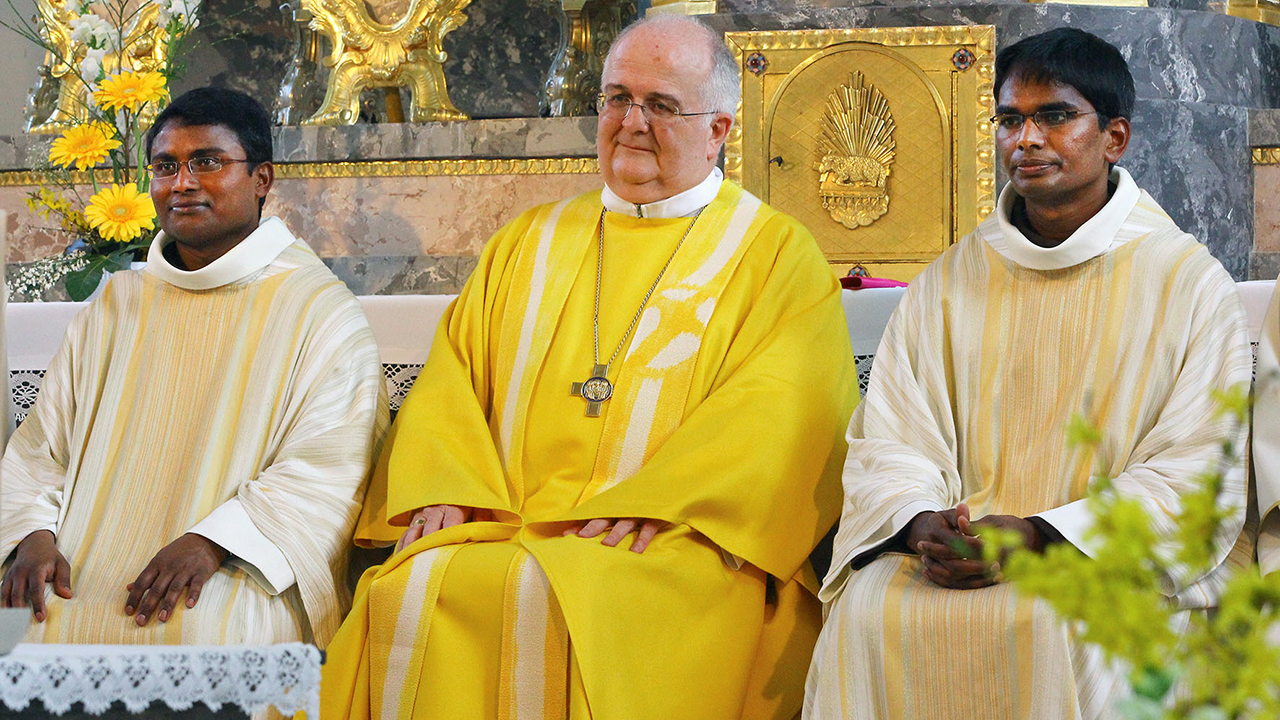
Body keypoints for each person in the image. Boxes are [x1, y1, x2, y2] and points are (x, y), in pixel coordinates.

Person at [322, 14, 856, 720]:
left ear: (719, 129)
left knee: (565, 593)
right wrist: (445, 486)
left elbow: (787, 415)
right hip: (508, 519)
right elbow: (454, 381)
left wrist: (665, 505)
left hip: (666, 541)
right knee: (408, 590)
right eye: (616, 98)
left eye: (661, 105)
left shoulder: (777, 256)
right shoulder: (529, 242)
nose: (631, 122)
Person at [805, 28, 1251, 719]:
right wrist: (919, 521)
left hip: (1098, 552)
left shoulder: (1185, 282)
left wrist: (1042, 534)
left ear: (1115, 137)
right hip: (957, 542)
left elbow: (1196, 470)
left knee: (1051, 618)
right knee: (868, 609)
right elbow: (894, 434)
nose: (1028, 139)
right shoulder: (953, 278)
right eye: (1011, 119)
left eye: (1056, 116)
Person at [0, 87, 387, 647]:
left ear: (262, 180)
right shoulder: (117, 305)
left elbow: (328, 467)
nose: (182, 183)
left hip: (238, 560)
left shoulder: (316, 310)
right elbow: (43, 447)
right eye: (165, 166)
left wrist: (212, 542)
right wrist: (33, 537)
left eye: (207, 162)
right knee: (24, 623)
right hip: (78, 556)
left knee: (206, 630)